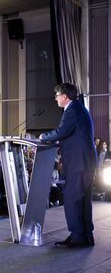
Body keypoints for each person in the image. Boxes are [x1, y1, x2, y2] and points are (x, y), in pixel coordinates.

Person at [39, 83, 97, 247]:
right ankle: (86, 236)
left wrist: (44, 136)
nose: (55, 98)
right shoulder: (78, 108)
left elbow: (62, 131)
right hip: (84, 162)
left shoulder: (72, 110)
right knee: (83, 200)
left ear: (64, 96)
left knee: (72, 199)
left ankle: (78, 237)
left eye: (57, 95)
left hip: (79, 163)